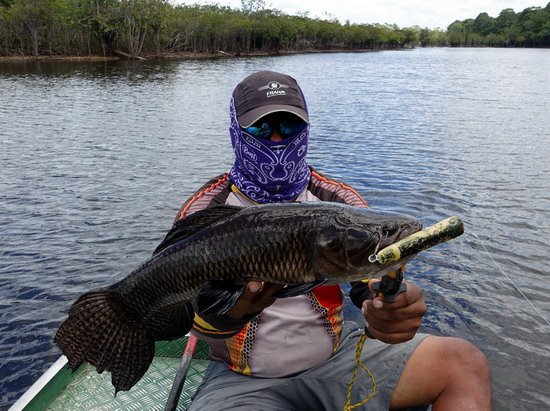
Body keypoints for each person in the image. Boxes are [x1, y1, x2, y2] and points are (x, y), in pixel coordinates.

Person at [160, 71, 492, 410]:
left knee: (462, 362)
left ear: (306, 129)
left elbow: (370, 286)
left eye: (289, 127)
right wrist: (230, 315)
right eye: (261, 128)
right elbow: (187, 318)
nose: (276, 139)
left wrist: (388, 309)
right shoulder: (205, 210)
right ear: (236, 132)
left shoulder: (340, 202)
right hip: (239, 377)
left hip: (336, 358)